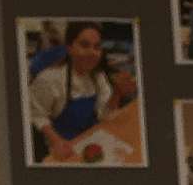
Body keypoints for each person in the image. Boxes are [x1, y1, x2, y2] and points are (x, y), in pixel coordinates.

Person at [27, 21, 134, 163]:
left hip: (91, 136)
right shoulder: (50, 79)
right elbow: (37, 114)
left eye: (97, 47)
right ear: (69, 48)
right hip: (62, 144)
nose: (92, 52)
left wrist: (117, 93)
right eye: (84, 45)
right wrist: (56, 141)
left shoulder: (98, 76)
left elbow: (103, 115)